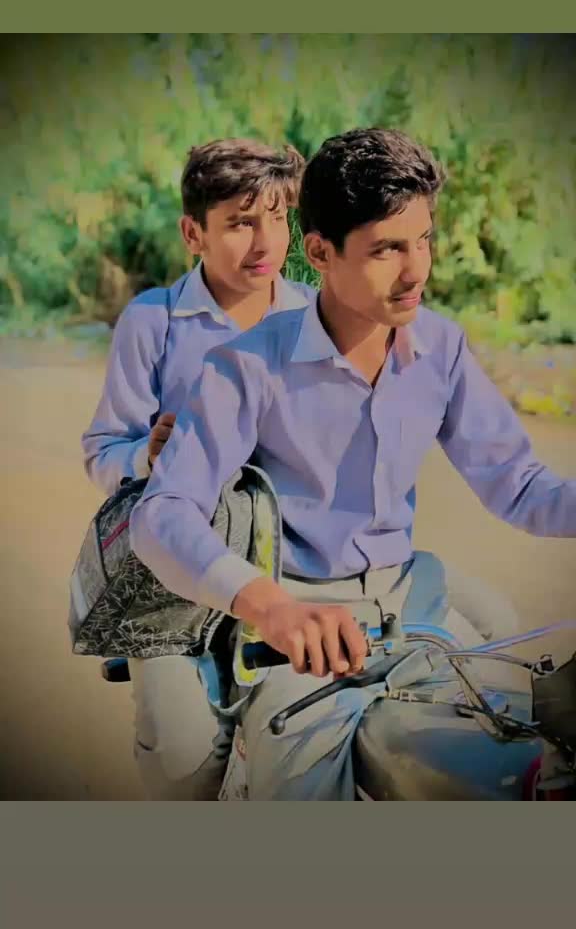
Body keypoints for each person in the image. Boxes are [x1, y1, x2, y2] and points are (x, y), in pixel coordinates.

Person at [130, 128, 576, 800]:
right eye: (387, 249)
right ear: (319, 252)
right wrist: (273, 608)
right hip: (296, 630)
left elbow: (520, 486)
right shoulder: (245, 366)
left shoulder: (442, 349)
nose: (416, 270)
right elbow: (162, 514)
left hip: (415, 606)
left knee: (525, 756)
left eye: (423, 240)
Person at [82, 137, 316, 799]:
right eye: (240, 223)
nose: (265, 242)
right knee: (182, 761)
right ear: (194, 234)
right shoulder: (153, 321)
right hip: (176, 572)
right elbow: (103, 451)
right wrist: (147, 456)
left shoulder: (315, 316)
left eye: (277, 218)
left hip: (294, 569)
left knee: (312, 749)